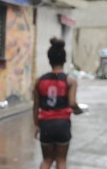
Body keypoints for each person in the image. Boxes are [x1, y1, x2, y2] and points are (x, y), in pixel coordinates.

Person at [32, 38, 82, 169]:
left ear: (49, 60)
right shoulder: (70, 81)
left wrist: (36, 125)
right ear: (65, 60)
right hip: (62, 124)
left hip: (46, 124)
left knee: (47, 159)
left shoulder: (39, 81)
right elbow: (72, 103)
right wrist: (78, 110)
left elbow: (36, 106)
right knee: (61, 160)